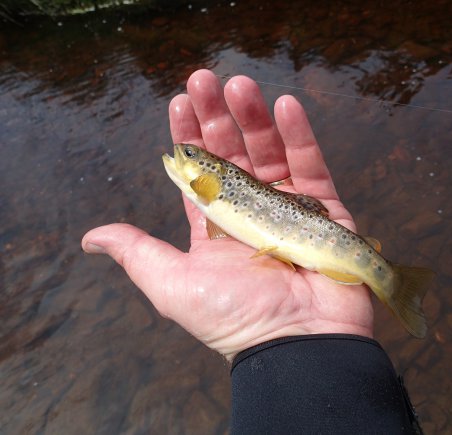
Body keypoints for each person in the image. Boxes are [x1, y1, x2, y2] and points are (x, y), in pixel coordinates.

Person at [82, 69, 421, 434]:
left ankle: (394, 282)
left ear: (208, 175)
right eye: (190, 153)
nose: (182, 153)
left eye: (191, 154)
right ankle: (393, 281)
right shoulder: (208, 194)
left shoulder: (209, 192)